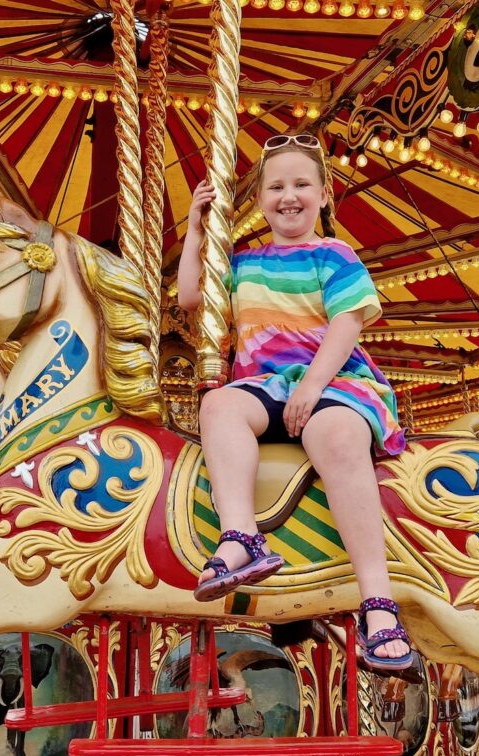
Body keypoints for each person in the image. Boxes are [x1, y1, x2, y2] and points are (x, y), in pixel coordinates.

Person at [177, 133, 414, 673]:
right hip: (265, 383)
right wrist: (197, 231)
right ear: (258, 200)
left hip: (335, 381)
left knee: (333, 435)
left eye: (301, 184)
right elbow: (191, 297)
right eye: (276, 186)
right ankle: (241, 535)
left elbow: (348, 321)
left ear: (325, 195)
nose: (289, 196)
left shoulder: (334, 254)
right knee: (217, 407)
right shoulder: (242, 261)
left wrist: (312, 387)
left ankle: (377, 602)